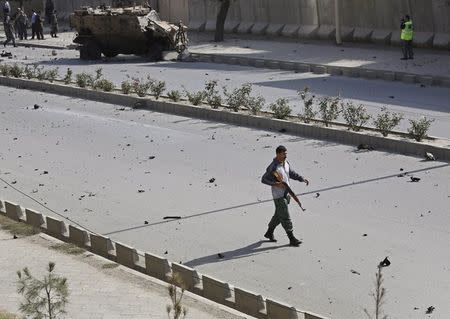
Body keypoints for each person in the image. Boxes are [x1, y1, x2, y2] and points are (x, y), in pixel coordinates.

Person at [261, 145, 309, 247]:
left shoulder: (286, 163)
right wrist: (276, 184)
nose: (285, 155)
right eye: (283, 154)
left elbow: (290, 173)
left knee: (279, 215)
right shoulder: (273, 166)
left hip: (286, 194)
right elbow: (264, 179)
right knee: (286, 216)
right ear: (278, 154)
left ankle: (269, 232)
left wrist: (302, 178)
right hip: (278, 196)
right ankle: (292, 238)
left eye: (286, 153)